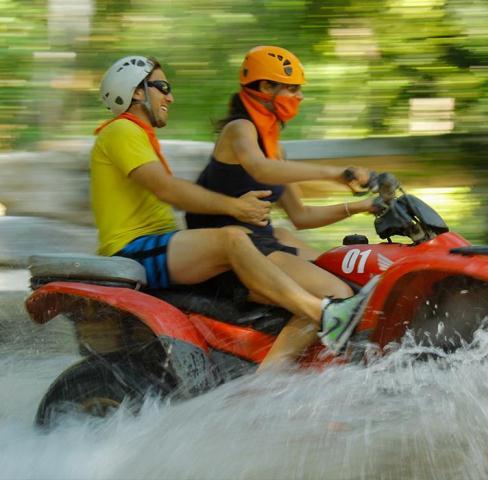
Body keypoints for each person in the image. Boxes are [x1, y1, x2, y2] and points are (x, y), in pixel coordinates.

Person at [90, 55, 372, 371]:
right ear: (137, 91)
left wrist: (362, 206)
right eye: (162, 87)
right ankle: (324, 313)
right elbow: (167, 189)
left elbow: (299, 214)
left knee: (285, 240)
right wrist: (235, 206)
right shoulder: (122, 132)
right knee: (233, 239)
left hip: (162, 242)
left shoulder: (140, 136)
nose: (170, 96)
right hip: (132, 249)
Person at [185, 46, 377, 370]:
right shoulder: (239, 129)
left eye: (299, 89)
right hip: (236, 255)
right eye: (290, 88)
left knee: (347, 268)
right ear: (263, 89)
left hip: (265, 243)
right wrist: (334, 173)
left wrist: (363, 206)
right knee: (337, 294)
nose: (298, 96)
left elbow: (301, 216)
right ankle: (267, 384)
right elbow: (261, 169)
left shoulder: (278, 148)